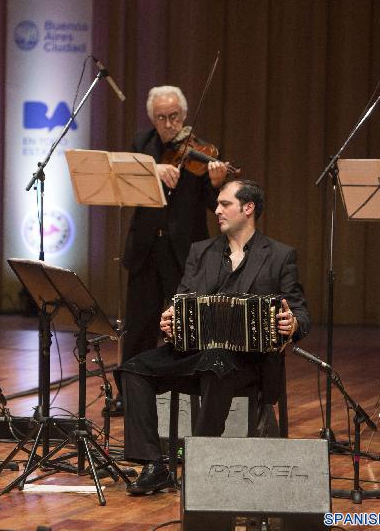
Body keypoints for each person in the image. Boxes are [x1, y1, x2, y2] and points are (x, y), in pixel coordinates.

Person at [117, 179, 309, 495]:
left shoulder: (279, 255)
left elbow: (300, 312)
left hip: (250, 363)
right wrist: (171, 317)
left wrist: (292, 323)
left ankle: (199, 460)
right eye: (217, 204)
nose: (217, 210)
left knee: (217, 363)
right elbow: (181, 299)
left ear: (248, 209)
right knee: (133, 369)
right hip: (196, 354)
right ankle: (154, 465)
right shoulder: (201, 251)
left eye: (225, 204)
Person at [108, 85, 229, 416]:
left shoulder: (203, 151)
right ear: (152, 118)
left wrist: (217, 184)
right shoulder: (141, 144)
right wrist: (153, 170)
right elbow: (126, 176)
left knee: (184, 326)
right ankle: (129, 395)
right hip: (145, 247)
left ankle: (182, 394)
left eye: (174, 116)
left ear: (184, 114)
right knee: (138, 326)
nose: (169, 124)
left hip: (183, 253)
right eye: (161, 117)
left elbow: (212, 205)